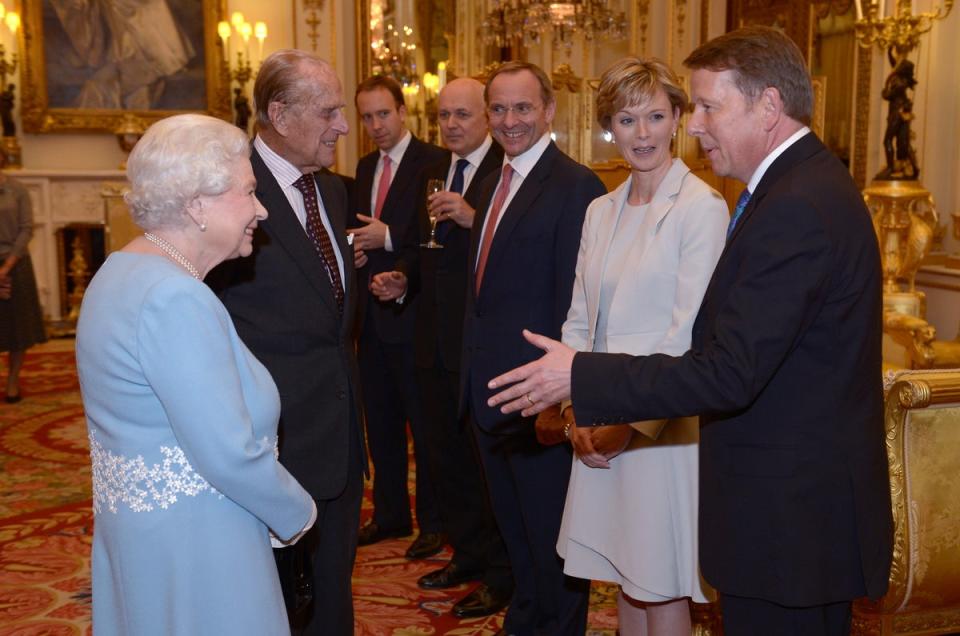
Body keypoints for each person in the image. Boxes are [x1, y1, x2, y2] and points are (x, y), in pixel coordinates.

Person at [488, 26, 893, 636]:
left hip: (788, 512)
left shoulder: (794, 206)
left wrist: (584, 379)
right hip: (781, 505)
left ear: (768, 107)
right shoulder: (790, 190)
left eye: (707, 106)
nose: (695, 124)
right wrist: (581, 404)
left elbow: (725, 366)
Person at [76, 113, 316, 635]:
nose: (261, 209)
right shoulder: (174, 296)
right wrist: (300, 512)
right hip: (200, 548)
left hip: (148, 538)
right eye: (248, 192)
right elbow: (227, 451)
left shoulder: (121, 271)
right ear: (197, 204)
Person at [555, 57, 727, 635]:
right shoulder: (599, 211)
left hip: (663, 430)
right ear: (611, 127)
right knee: (624, 577)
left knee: (660, 583)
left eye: (656, 116)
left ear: (678, 118)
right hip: (600, 419)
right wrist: (574, 409)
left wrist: (629, 427)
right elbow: (580, 321)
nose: (644, 133)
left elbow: (687, 335)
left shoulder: (702, 207)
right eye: (628, 120)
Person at [207, 49, 364, 636]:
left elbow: (327, 311)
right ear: (279, 112)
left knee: (332, 595)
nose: (342, 126)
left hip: (341, 434)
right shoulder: (228, 190)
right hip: (270, 445)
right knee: (272, 606)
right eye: (329, 112)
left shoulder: (335, 191)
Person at [461, 61, 606, 634]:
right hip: (488, 396)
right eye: (498, 108)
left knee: (554, 544)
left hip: (540, 397)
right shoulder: (488, 181)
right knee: (517, 540)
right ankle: (526, 620)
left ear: (549, 110)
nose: (509, 120)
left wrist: (560, 399)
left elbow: (580, 303)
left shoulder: (576, 187)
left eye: (522, 107)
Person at [370, 77, 513, 619]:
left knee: (487, 466)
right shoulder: (438, 170)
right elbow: (423, 249)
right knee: (445, 459)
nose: (451, 124)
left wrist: (474, 220)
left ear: (487, 118)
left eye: (463, 114)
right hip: (430, 340)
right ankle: (469, 553)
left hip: (479, 346)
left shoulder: (504, 170)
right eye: (444, 115)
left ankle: (503, 573)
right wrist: (403, 278)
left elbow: (513, 251)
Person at [351, 75, 446, 559]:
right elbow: (359, 232)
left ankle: (434, 522)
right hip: (371, 319)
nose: (376, 125)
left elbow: (435, 238)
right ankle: (390, 514)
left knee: (425, 427)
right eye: (366, 117)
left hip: (415, 316)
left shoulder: (434, 161)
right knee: (381, 424)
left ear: (403, 112)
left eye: (383, 114)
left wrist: (387, 239)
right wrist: (359, 251)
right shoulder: (365, 166)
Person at [0, 156, 47, 403]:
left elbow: (26, 228)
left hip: (16, 264)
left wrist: (6, 266)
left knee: (18, 329)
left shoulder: (17, 190)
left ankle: (12, 382)